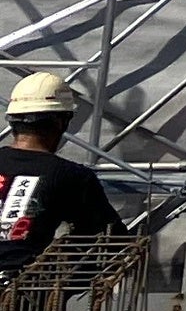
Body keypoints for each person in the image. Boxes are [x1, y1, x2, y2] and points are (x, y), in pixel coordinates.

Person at [0, 72, 117, 274]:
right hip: (19, 288)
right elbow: (111, 240)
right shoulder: (70, 176)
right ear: (61, 122)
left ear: (12, 121)